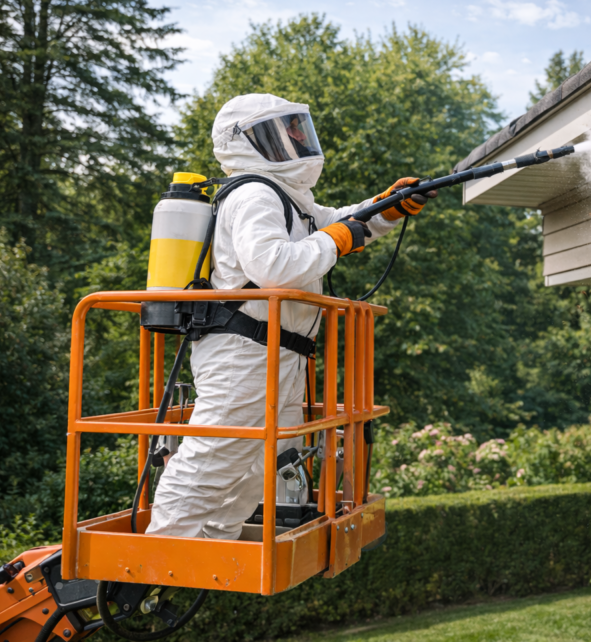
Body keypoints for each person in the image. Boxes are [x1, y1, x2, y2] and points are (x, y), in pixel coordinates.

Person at [146, 93, 435, 540]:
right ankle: (161, 552)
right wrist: (336, 240)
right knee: (214, 456)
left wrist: (387, 207)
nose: (298, 137)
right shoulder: (254, 193)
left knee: (257, 463)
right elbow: (273, 265)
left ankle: (210, 546)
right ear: (248, 142)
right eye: (285, 130)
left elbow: (337, 223)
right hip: (244, 352)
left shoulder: (288, 197)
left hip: (277, 353)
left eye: (299, 127)